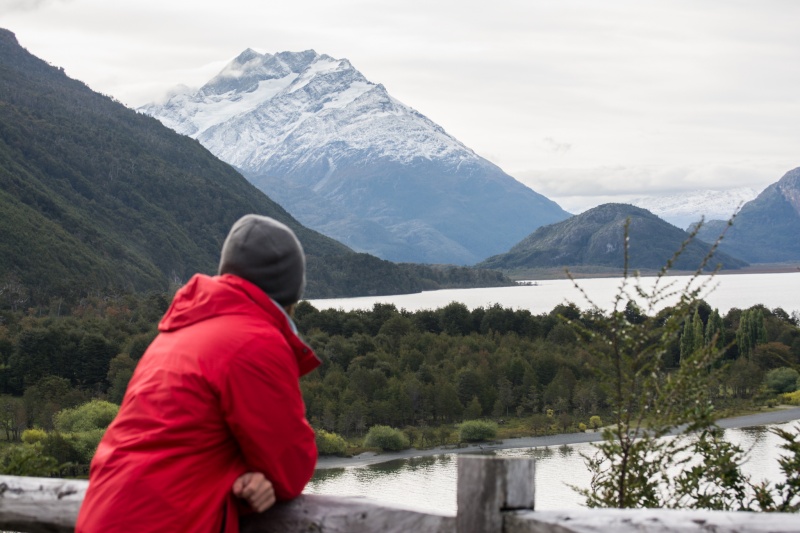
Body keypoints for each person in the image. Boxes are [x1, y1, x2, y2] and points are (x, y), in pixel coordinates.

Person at [76, 214, 320, 533]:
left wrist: (233, 476)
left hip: (105, 516)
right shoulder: (257, 342)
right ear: (291, 293)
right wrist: (251, 476)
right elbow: (290, 464)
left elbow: (179, 442)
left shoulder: (178, 332)